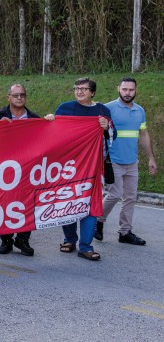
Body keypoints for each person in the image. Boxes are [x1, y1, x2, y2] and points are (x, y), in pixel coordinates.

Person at [45, 77, 113, 261]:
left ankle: (86, 246)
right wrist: (50, 120)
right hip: (68, 167)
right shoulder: (64, 108)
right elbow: (52, 134)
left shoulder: (102, 111)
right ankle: (69, 239)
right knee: (67, 202)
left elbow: (112, 138)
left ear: (93, 92)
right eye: (76, 88)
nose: (79, 91)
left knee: (90, 205)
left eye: (84, 89)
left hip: (93, 167)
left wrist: (106, 128)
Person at [97, 77, 157, 246]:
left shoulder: (140, 111)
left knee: (130, 197)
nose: (127, 93)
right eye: (124, 89)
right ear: (118, 89)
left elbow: (143, 135)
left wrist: (151, 158)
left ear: (136, 90)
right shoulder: (108, 108)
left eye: (131, 90)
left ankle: (125, 232)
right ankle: (98, 220)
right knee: (115, 194)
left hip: (132, 162)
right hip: (113, 160)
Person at [0, 83, 41, 256]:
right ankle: (6, 240)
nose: (19, 98)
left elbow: (44, 138)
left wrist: (49, 121)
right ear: (8, 97)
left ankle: (23, 239)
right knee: (5, 203)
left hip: (28, 168)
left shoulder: (34, 118)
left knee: (28, 202)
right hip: (5, 168)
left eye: (22, 95)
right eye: (16, 95)